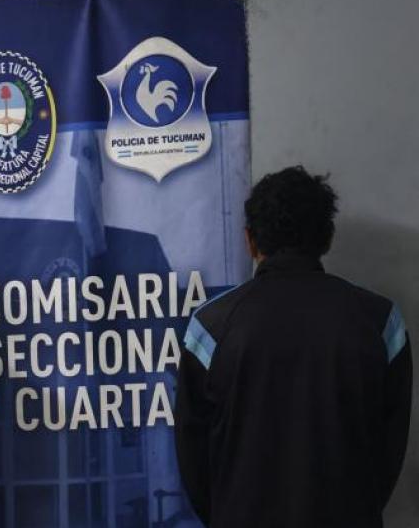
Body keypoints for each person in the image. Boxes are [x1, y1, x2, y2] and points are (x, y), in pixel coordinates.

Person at [175, 166, 411, 528]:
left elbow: (193, 457)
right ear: (327, 238)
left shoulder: (210, 327)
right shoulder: (380, 321)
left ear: (250, 240)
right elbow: (389, 448)